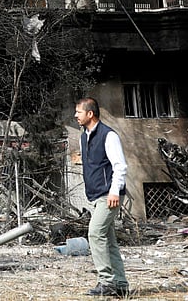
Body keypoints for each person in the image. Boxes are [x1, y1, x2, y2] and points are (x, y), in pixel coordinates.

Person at [75, 97, 130, 297]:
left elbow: (120, 166)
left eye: (79, 112)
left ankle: (106, 282)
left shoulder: (109, 135)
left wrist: (115, 190)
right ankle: (121, 285)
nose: (75, 115)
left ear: (90, 114)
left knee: (95, 233)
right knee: (108, 239)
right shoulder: (84, 137)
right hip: (96, 195)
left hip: (110, 195)